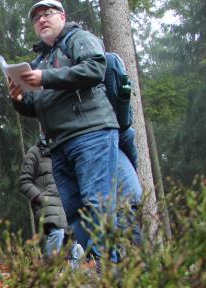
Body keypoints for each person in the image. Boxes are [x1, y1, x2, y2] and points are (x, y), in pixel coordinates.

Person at [9, 0, 120, 258]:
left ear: (62, 16)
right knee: (73, 211)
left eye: (47, 14)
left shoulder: (78, 38)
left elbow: (95, 68)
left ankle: (114, 273)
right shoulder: (39, 61)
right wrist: (18, 99)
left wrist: (44, 78)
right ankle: (99, 269)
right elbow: (35, 106)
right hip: (57, 145)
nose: (42, 20)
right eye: (36, 18)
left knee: (97, 204)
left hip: (91, 133)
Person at [18, 141, 68, 257]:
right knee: (57, 233)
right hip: (47, 204)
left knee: (72, 242)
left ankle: (71, 274)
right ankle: (48, 271)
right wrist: (41, 198)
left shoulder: (65, 148)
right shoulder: (34, 152)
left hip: (66, 202)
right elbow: (24, 181)